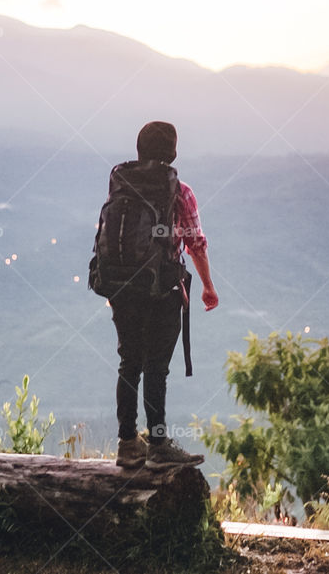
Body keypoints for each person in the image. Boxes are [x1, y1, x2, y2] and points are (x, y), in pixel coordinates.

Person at [112, 121, 219, 469]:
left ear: (139, 150)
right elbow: (195, 244)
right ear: (172, 153)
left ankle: (128, 444)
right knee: (156, 367)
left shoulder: (121, 182)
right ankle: (158, 444)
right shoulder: (181, 192)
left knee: (129, 363)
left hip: (122, 287)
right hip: (163, 290)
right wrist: (207, 286)